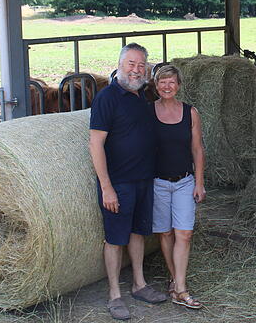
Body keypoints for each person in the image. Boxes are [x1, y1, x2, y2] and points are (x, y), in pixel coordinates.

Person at [89, 43, 168, 321]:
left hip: (144, 180)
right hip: (118, 183)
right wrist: (107, 187)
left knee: (138, 233)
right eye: (131, 64)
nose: (136, 70)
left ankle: (139, 284)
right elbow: (96, 144)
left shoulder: (144, 96)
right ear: (120, 64)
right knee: (115, 239)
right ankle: (114, 295)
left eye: (141, 65)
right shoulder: (107, 98)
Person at [151, 65, 206, 309]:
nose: (166, 86)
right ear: (156, 85)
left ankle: (181, 288)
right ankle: (175, 281)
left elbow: (197, 149)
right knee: (165, 233)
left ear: (179, 85)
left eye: (171, 82)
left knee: (184, 233)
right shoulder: (148, 112)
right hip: (157, 183)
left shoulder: (190, 112)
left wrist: (199, 182)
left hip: (184, 181)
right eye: (162, 82)